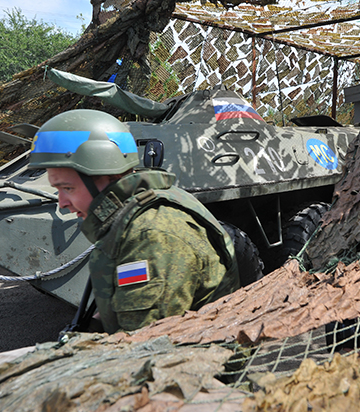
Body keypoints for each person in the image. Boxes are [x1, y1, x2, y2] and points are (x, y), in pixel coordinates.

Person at [27, 109, 240, 333]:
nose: (61, 203)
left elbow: (143, 345)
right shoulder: (132, 215)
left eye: (67, 188)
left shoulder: (151, 235)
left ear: (107, 176)